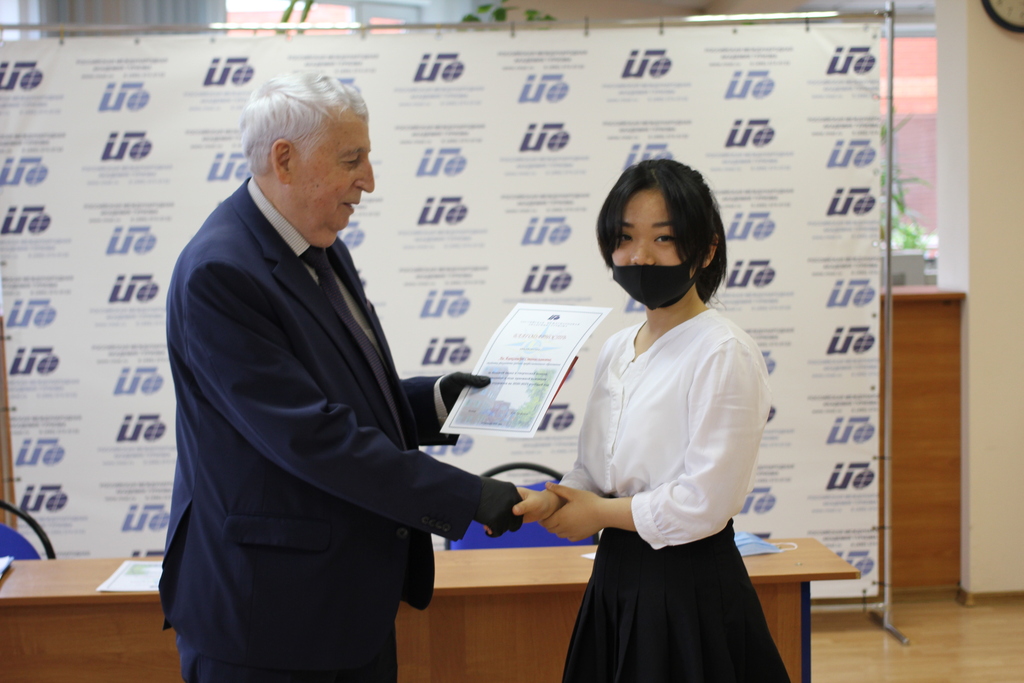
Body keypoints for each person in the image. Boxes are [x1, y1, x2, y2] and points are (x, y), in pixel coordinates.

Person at [160, 72, 522, 683]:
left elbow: (340, 396)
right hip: (267, 625)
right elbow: (310, 437)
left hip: (344, 612)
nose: (369, 181)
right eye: (351, 160)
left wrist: (438, 402)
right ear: (284, 159)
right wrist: (467, 497)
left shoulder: (319, 245)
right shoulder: (220, 272)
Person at [514, 159, 791, 683]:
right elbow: (595, 471)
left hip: (688, 587)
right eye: (625, 237)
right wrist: (557, 499)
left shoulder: (723, 350)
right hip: (614, 575)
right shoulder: (618, 347)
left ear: (706, 249)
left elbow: (704, 503)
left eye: (664, 238)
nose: (640, 256)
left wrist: (599, 513)